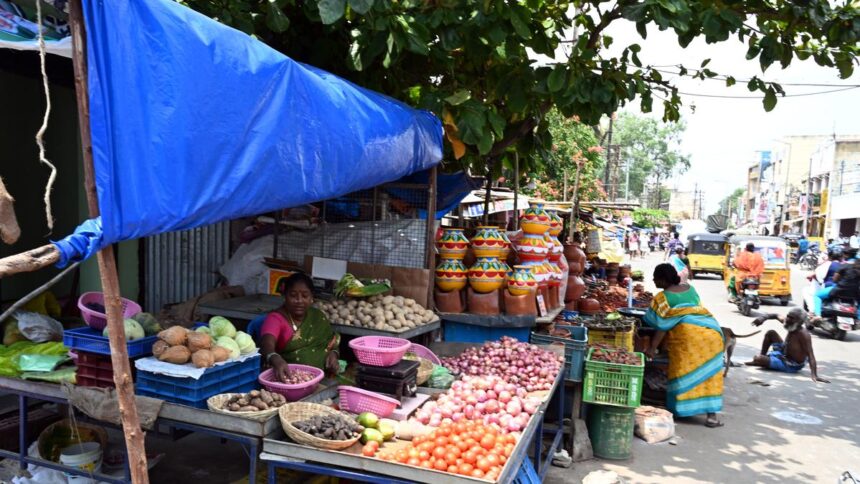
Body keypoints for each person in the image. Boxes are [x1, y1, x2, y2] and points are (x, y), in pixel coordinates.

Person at [643, 264, 725, 427]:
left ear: (663, 279)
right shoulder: (690, 289)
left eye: (655, 277)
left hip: (688, 338)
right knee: (710, 376)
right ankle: (711, 417)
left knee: (683, 374)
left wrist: (652, 348)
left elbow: (662, 326)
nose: (653, 280)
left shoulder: (662, 297)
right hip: (712, 333)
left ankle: (680, 411)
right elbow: (694, 309)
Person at [260, 272, 340, 382]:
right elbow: (266, 343)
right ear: (285, 295)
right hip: (289, 380)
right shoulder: (276, 319)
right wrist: (274, 357)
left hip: (321, 379)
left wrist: (333, 354)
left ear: (312, 297)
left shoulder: (317, 316)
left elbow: (332, 343)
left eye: (305, 296)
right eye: (293, 295)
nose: (299, 300)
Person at [745, 309, 830, 383]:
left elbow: (811, 355)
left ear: (799, 321)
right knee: (771, 333)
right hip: (784, 351)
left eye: (791, 318)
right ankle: (762, 357)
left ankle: (760, 360)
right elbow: (775, 315)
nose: (788, 319)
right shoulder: (789, 322)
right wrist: (762, 318)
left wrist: (814, 375)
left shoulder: (804, 334)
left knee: (758, 358)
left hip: (791, 364)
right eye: (788, 316)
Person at [809, 247, 845, 316]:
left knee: (817, 296)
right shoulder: (845, 265)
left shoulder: (827, 264)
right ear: (841, 257)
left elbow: (819, 278)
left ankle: (817, 315)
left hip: (832, 289)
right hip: (845, 290)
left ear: (830, 256)